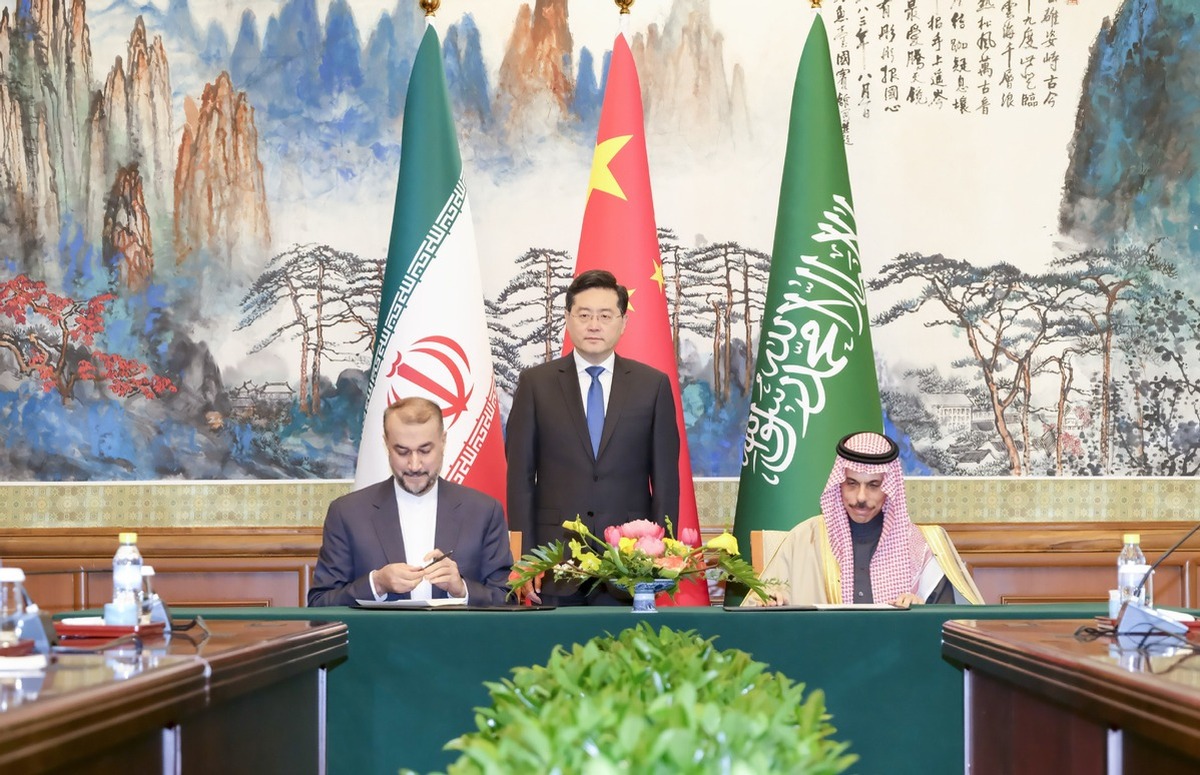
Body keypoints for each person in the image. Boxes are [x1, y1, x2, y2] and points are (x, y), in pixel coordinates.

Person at [506, 269, 680, 605]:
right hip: (553, 563)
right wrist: (526, 559)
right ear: (568, 319)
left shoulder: (652, 385)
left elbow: (665, 482)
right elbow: (520, 479)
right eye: (584, 315)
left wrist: (660, 556)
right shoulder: (535, 385)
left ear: (623, 322)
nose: (594, 325)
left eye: (605, 315)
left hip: (630, 564)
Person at [308, 397, 513, 607]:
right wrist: (376, 584)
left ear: (443, 441)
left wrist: (462, 589)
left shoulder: (484, 512)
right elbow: (320, 604)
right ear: (386, 444)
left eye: (425, 450)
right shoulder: (347, 513)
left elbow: (508, 600)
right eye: (402, 451)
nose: (414, 465)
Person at [746, 431, 983, 607]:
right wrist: (771, 603)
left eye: (873, 485)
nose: (861, 497)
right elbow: (757, 605)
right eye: (851, 483)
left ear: (888, 488)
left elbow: (951, 624)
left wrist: (919, 613)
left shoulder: (921, 546)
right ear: (839, 484)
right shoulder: (804, 539)